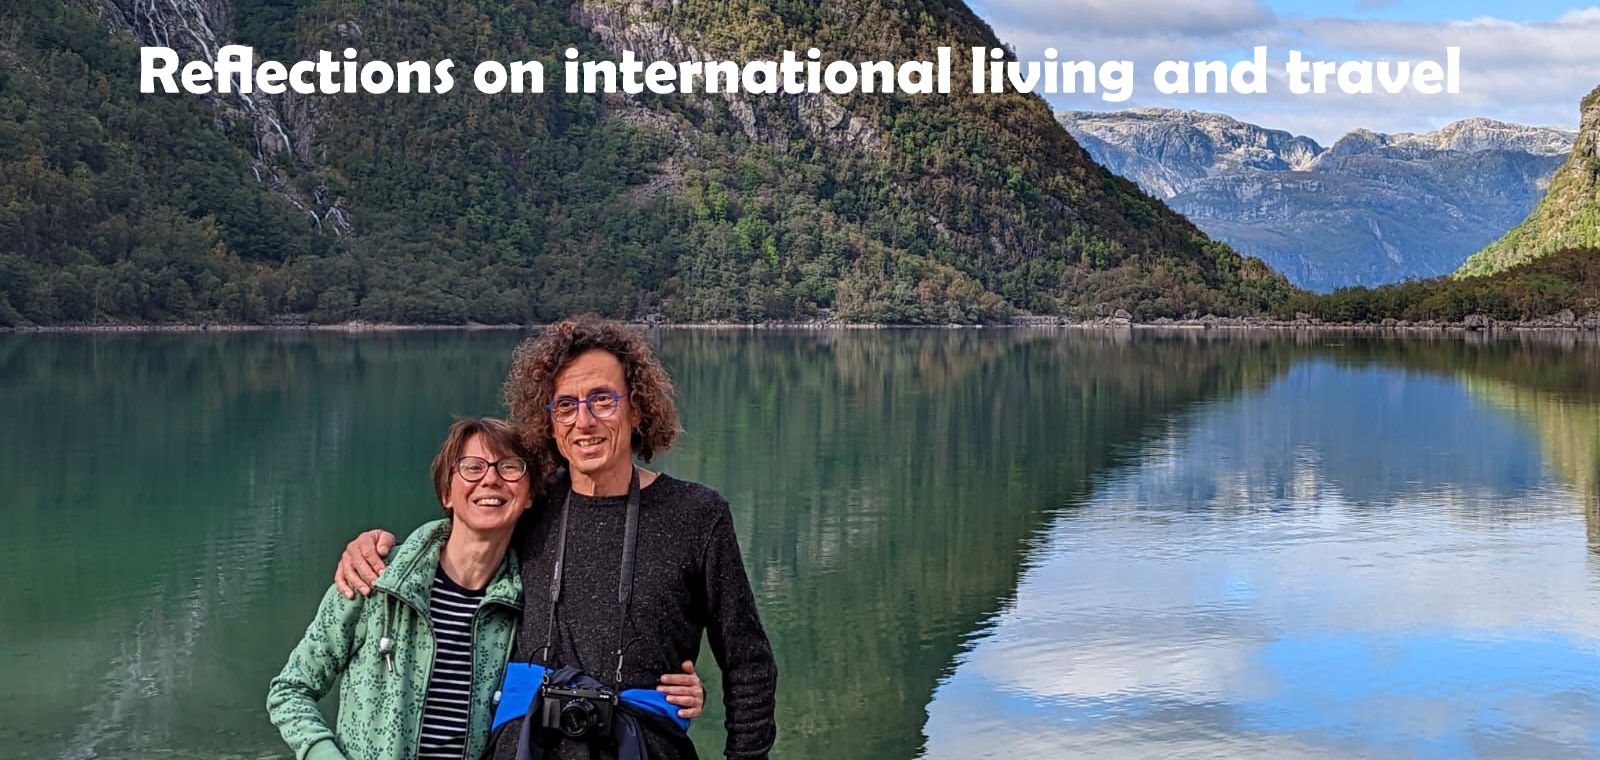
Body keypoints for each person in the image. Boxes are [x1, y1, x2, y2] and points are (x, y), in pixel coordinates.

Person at [336, 317, 778, 760]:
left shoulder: (696, 516)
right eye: (565, 405)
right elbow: (456, 545)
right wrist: (375, 548)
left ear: (637, 408)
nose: (583, 421)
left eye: (602, 400)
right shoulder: (528, 504)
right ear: (547, 421)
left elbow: (748, 664)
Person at [269, 417, 706, 760]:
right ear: (447, 489)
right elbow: (290, 691)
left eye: (509, 468)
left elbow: (591, 663)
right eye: (472, 467)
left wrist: (673, 692)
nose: (490, 480)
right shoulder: (376, 579)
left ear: (531, 494)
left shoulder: (530, 605)